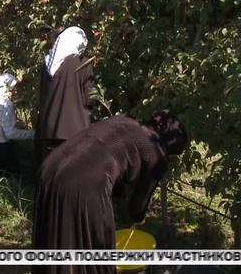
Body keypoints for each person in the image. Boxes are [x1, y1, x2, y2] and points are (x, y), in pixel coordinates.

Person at [32, 110, 188, 274]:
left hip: (50, 166)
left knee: (55, 232)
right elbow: (139, 203)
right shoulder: (156, 151)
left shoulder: (127, 122)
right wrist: (139, 216)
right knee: (93, 246)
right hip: (84, 181)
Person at [36, 26, 94, 159]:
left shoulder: (48, 64)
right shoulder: (83, 63)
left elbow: (43, 96)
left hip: (48, 130)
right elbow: (89, 99)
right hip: (75, 130)